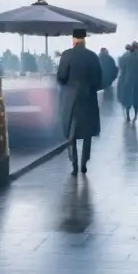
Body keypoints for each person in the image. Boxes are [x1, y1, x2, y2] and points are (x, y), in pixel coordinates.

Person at [56, 28, 103, 176]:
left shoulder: (67, 55)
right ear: (85, 39)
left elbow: (61, 77)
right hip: (88, 98)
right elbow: (98, 80)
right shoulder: (93, 56)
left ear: (73, 39)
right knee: (87, 132)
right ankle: (84, 163)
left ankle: (74, 164)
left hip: (71, 100)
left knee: (72, 133)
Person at [116, 41, 138, 122]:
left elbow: (121, 68)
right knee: (136, 98)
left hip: (127, 81)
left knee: (128, 98)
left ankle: (128, 114)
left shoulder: (125, 57)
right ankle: (135, 115)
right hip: (137, 82)